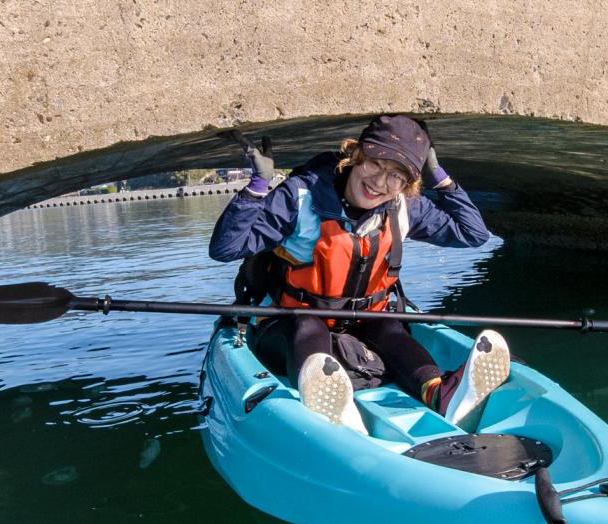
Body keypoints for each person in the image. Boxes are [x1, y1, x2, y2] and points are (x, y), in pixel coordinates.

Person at [208, 115, 508, 433]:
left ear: (409, 185)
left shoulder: (405, 205)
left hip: (362, 321)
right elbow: (225, 248)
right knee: (308, 325)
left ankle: (440, 393)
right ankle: (332, 407)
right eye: (375, 164)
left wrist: (439, 176)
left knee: (389, 328)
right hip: (287, 326)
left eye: (398, 176)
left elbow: (473, 233)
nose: (380, 182)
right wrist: (257, 187)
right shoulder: (299, 197)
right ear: (356, 155)